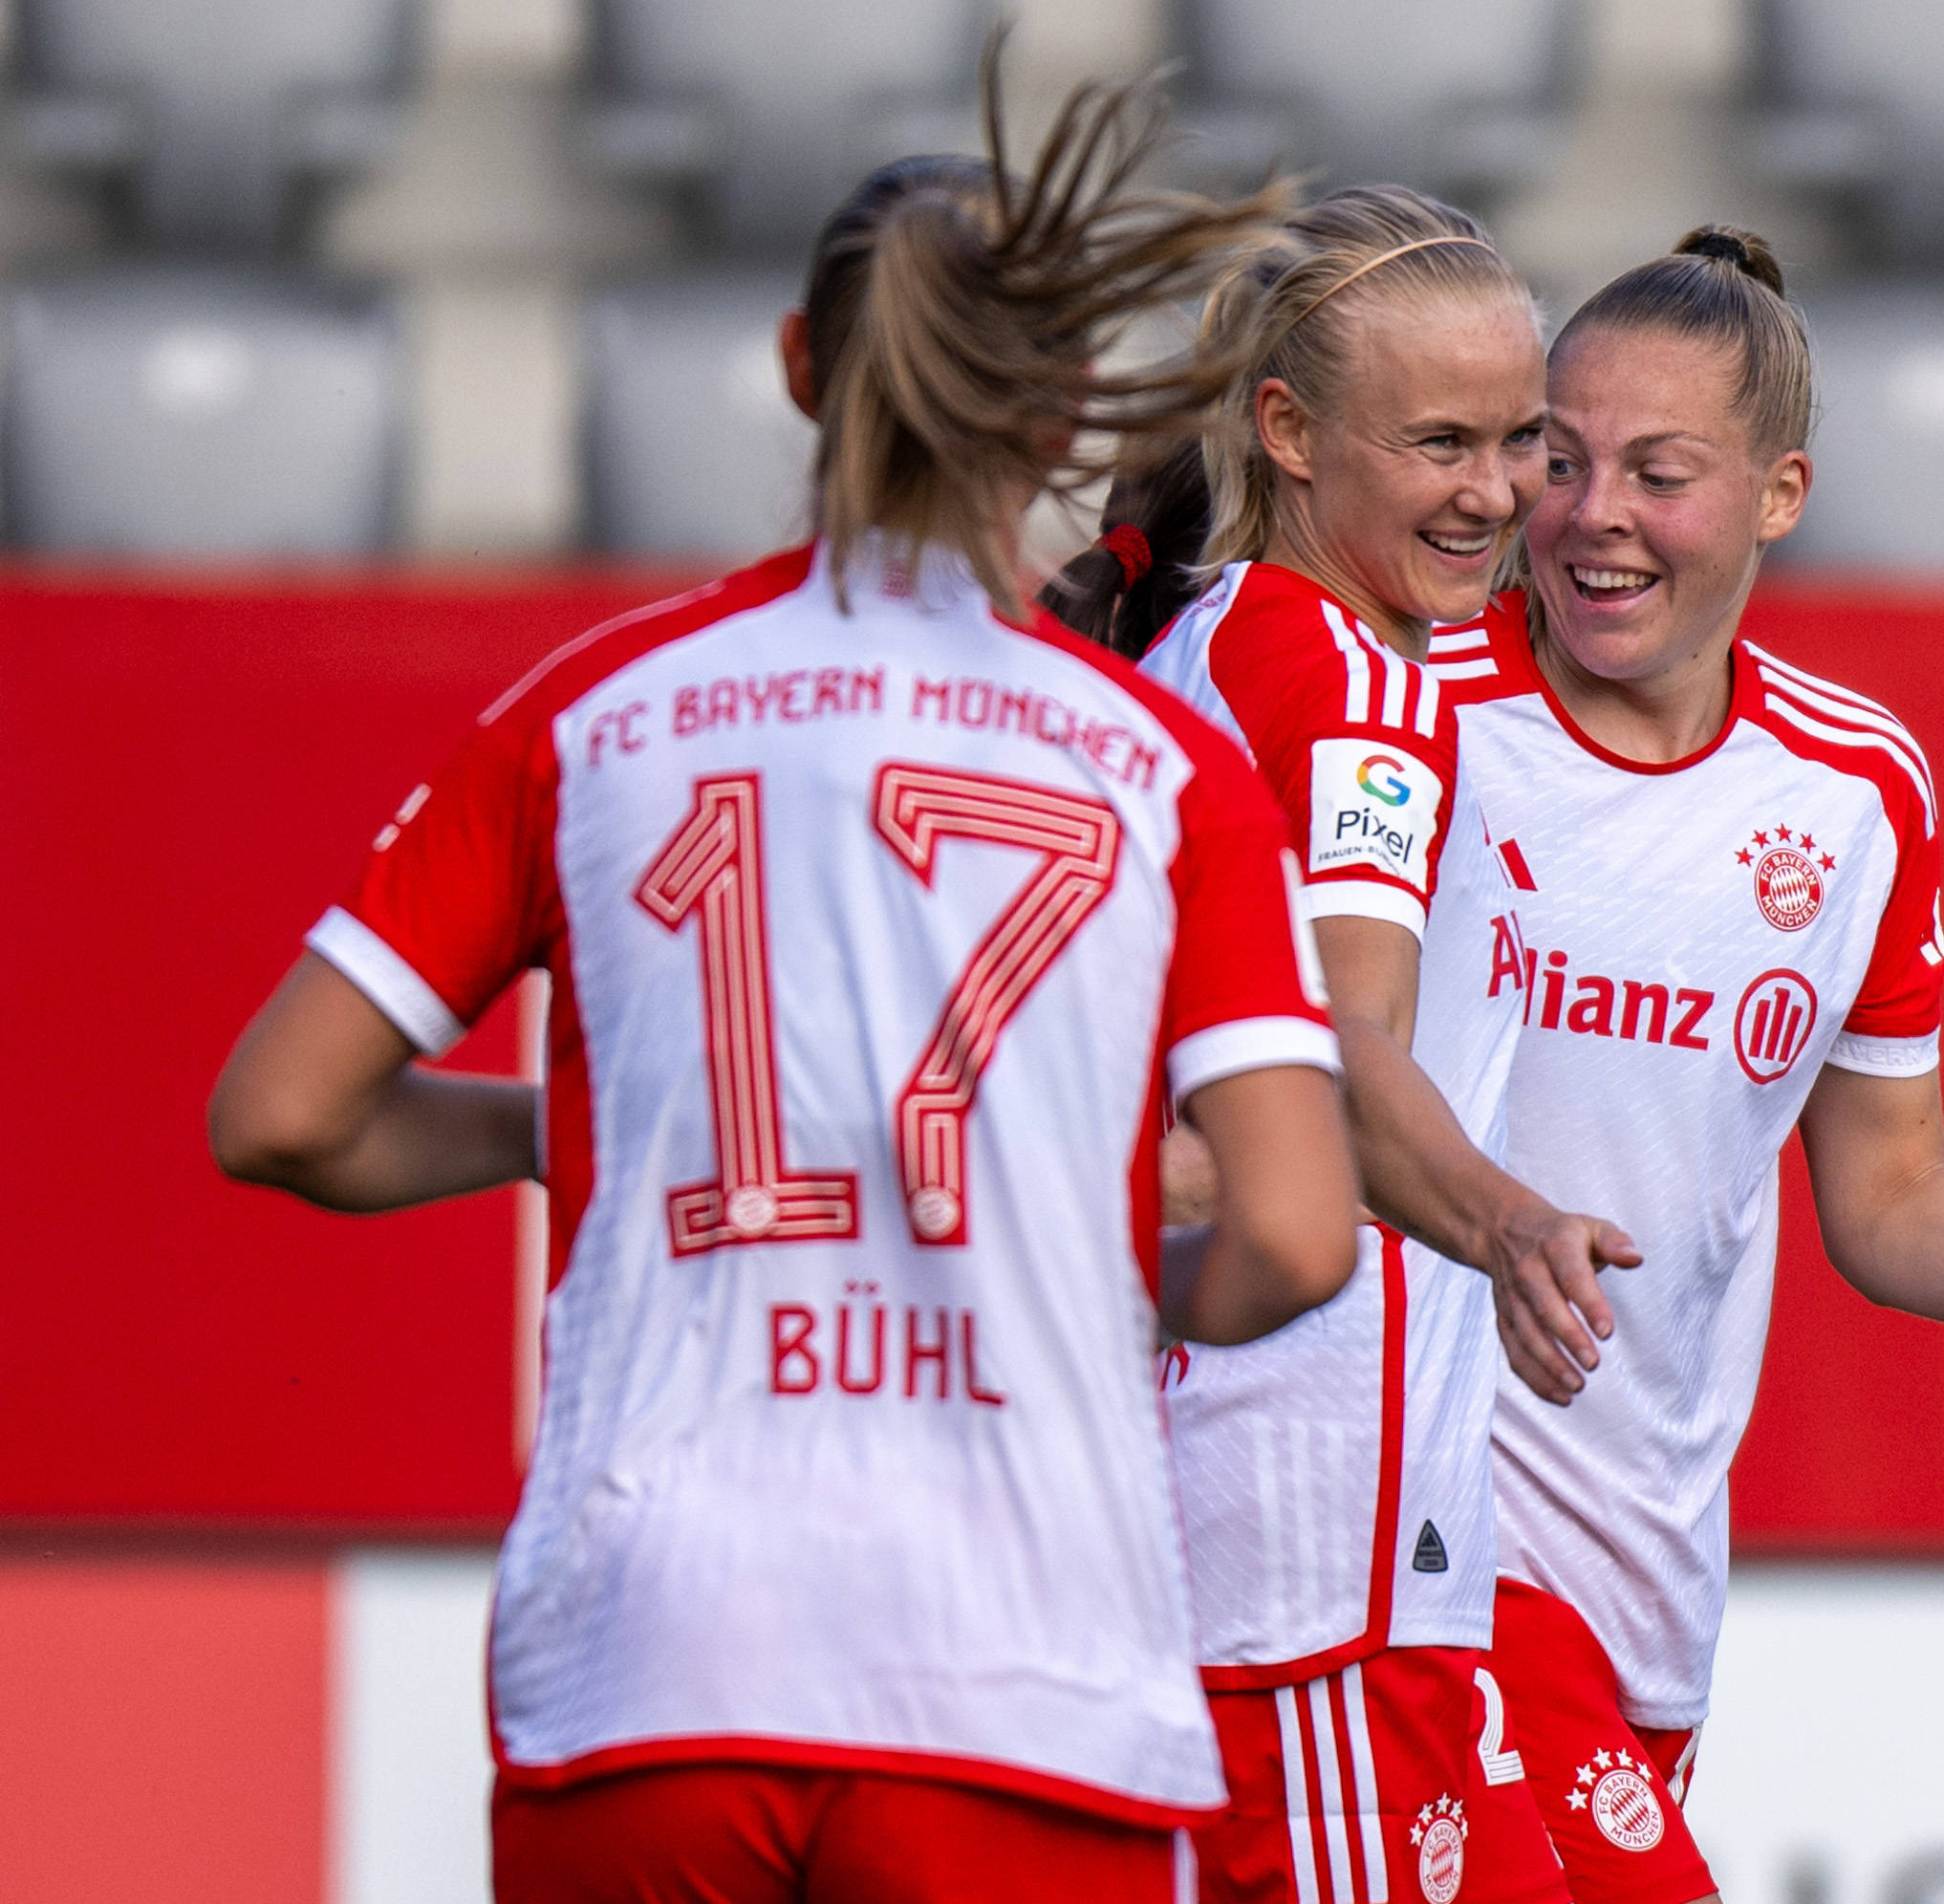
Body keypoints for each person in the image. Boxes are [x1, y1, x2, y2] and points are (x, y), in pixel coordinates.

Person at [205, 76, 1354, 1904]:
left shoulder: (596, 711)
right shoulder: (1159, 765)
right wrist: (1073, 1248)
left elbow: (279, 1114)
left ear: (799, 369)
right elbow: (1296, 1236)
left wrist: (555, 1134)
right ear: (1060, 405)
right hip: (1023, 1676)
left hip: (653, 1663)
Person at [1461, 227, 1944, 1904]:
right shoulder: (1414, 713)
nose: (1591, 514)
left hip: (1648, 1588)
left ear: (1780, 493)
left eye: (1658, 474)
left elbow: (1884, 1196)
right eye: (1560, 458)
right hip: (1432, 1554)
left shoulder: (1852, 789)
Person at [1120, 184, 1619, 1904]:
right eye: (1440, 444)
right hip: (1311, 1516)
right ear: (1289, 432)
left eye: (1520, 440)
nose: (1496, 494)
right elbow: (1341, 1049)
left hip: (1224, 1493)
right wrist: (1507, 1227)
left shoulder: (1201, 642)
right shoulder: (1358, 682)